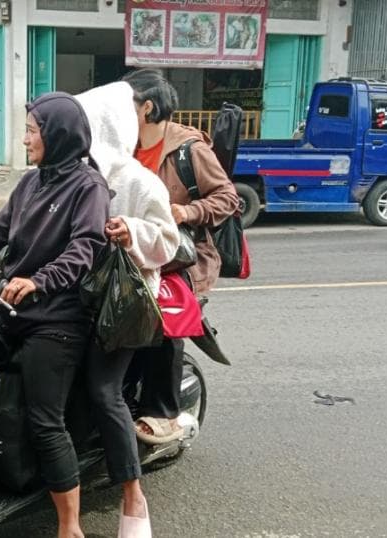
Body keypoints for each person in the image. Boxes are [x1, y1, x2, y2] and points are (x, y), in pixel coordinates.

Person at [0, 92, 110, 538]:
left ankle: (70, 525)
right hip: (11, 307)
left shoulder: (88, 187)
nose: (25, 139)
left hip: (57, 319)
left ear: (57, 134)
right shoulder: (31, 182)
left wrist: (39, 280)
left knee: (45, 420)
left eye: (32, 131)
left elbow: (86, 247)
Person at [76, 82, 179, 538]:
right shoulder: (71, 175)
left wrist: (130, 232)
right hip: (76, 300)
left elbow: (167, 241)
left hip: (122, 304)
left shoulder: (139, 181)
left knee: (104, 391)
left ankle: (133, 495)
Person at [121, 68, 238, 443]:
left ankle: (164, 413)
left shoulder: (189, 149)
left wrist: (187, 211)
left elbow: (228, 198)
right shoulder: (125, 146)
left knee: (162, 314)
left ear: (146, 108)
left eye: (126, 103)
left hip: (183, 256)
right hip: (135, 250)